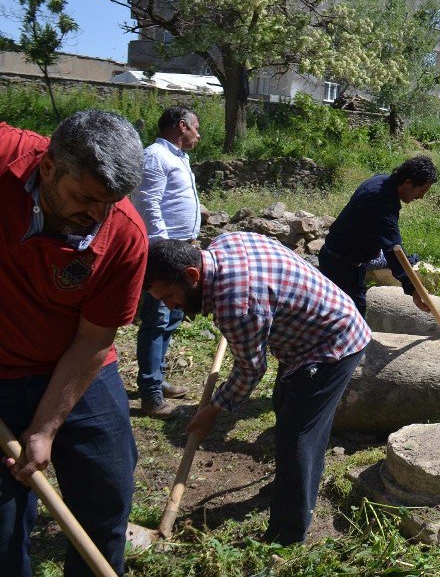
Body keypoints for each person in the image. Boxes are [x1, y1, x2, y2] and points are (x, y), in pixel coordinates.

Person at [144, 232, 371, 545]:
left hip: (332, 343)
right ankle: (294, 485)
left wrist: (213, 410)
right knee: (287, 407)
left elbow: (251, 369)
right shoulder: (224, 244)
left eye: (171, 297)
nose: (172, 307)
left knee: (297, 435)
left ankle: (287, 534)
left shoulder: (235, 304)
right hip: (306, 336)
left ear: (193, 275)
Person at [0, 111, 146, 576]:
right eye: (85, 198)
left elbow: (94, 338)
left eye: (111, 202)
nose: (98, 215)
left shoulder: (124, 234)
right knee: (3, 527)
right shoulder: (5, 157)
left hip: (80, 367)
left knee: (107, 494)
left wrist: (44, 429)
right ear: (48, 167)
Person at [132, 106, 202, 418]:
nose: (198, 135)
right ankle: (150, 394)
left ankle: (156, 378)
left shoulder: (180, 158)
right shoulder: (155, 156)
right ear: (181, 125)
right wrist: (163, 248)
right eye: (195, 128)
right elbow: (147, 203)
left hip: (181, 249)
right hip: (164, 253)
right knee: (156, 319)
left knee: (172, 316)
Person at [318, 156, 436, 318]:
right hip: (340, 267)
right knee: (351, 321)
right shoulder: (381, 200)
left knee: (349, 317)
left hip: (349, 262)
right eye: (422, 190)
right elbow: (394, 250)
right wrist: (413, 288)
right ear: (408, 182)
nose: (421, 196)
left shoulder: (382, 180)